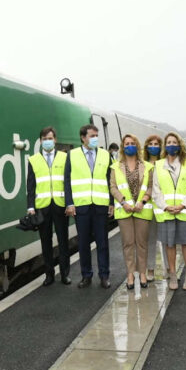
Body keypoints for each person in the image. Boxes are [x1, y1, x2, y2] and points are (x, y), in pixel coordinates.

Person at [65, 124, 113, 289]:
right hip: (81, 207)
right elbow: (67, 181)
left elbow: (110, 181)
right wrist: (69, 203)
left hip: (100, 206)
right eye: (92, 136)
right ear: (83, 137)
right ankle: (86, 276)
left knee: (102, 242)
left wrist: (111, 203)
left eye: (96, 136)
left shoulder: (106, 155)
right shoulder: (72, 155)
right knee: (83, 243)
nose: (95, 139)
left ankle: (104, 275)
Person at [152, 132, 186, 290]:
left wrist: (182, 205)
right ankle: (172, 274)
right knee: (169, 244)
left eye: (174, 142)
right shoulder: (158, 165)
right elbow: (156, 191)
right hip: (167, 212)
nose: (171, 145)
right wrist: (165, 206)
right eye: (168, 142)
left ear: (179, 145)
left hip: (184, 211)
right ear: (165, 146)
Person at [26, 126, 71, 286]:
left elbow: (68, 183)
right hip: (42, 207)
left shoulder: (64, 158)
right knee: (45, 242)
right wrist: (30, 207)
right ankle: (49, 275)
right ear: (40, 141)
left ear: (55, 140)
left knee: (63, 241)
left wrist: (70, 203)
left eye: (50, 138)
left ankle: (65, 274)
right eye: (44, 139)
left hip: (60, 206)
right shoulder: (33, 160)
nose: (47, 141)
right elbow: (30, 186)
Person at [110, 134, 154, 290]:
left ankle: (142, 274)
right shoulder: (116, 166)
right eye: (127, 143)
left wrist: (143, 202)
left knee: (142, 244)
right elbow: (113, 187)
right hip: (124, 210)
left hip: (142, 210)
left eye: (132, 143)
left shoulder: (147, 166)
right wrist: (123, 202)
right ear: (123, 147)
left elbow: (150, 186)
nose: (130, 145)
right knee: (128, 244)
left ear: (137, 145)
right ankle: (130, 274)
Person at [142, 135, 171, 281]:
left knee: (166, 239)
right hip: (147, 207)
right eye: (151, 144)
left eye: (156, 144)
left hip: (162, 206)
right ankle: (151, 269)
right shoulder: (143, 164)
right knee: (150, 239)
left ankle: (169, 268)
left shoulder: (166, 163)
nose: (154, 146)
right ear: (146, 147)